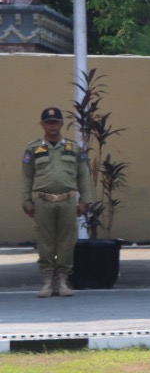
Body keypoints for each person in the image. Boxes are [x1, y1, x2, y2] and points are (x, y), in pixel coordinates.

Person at [21, 106, 93, 298]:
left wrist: (85, 200)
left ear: (61, 123)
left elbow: (84, 175)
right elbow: (27, 177)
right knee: (45, 242)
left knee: (66, 242)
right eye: (48, 122)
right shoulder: (33, 148)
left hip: (68, 201)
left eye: (55, 122)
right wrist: (26, 200)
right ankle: (47, 280)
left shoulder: (73, 148)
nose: (52, 126)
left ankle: (62, 280)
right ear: (42, 124)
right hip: (42, 202)